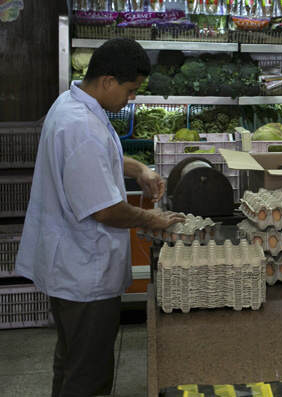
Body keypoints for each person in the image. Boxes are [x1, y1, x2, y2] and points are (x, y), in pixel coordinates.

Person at [15, 38, 183, 397]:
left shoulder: (72, 104)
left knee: (71, 360)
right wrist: (151, 219)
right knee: (88, 375)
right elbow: (105, 209)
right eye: (130, 90)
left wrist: (139, 168)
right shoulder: (82, 127)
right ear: (108, 81)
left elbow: (98, 157)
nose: (131, 99)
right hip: (83, 273)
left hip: (69, 266)